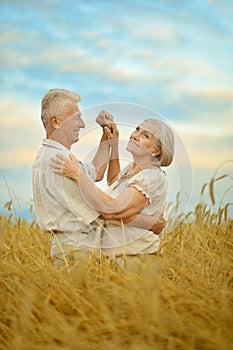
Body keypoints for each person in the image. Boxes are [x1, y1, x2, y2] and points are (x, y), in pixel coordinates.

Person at [32, 88, 165, 263]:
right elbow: (103, 210)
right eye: (76, 118)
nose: (82, 124)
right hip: (76, 248)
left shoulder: (59, 157)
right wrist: (148, 222)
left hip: (79, 246)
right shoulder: (58, 162)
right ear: (56, 122)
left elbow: (96, 172)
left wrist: (107, 137)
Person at [51, 116, 174, 258]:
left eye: (145, 136)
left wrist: (79, 175)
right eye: (137, 129)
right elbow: (115, 181)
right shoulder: (132, 168)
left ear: (156, 151)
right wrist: (113, 146)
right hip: (115, 256)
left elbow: (113, 210)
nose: (135, 136)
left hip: (135, 258)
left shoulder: (152, 177)